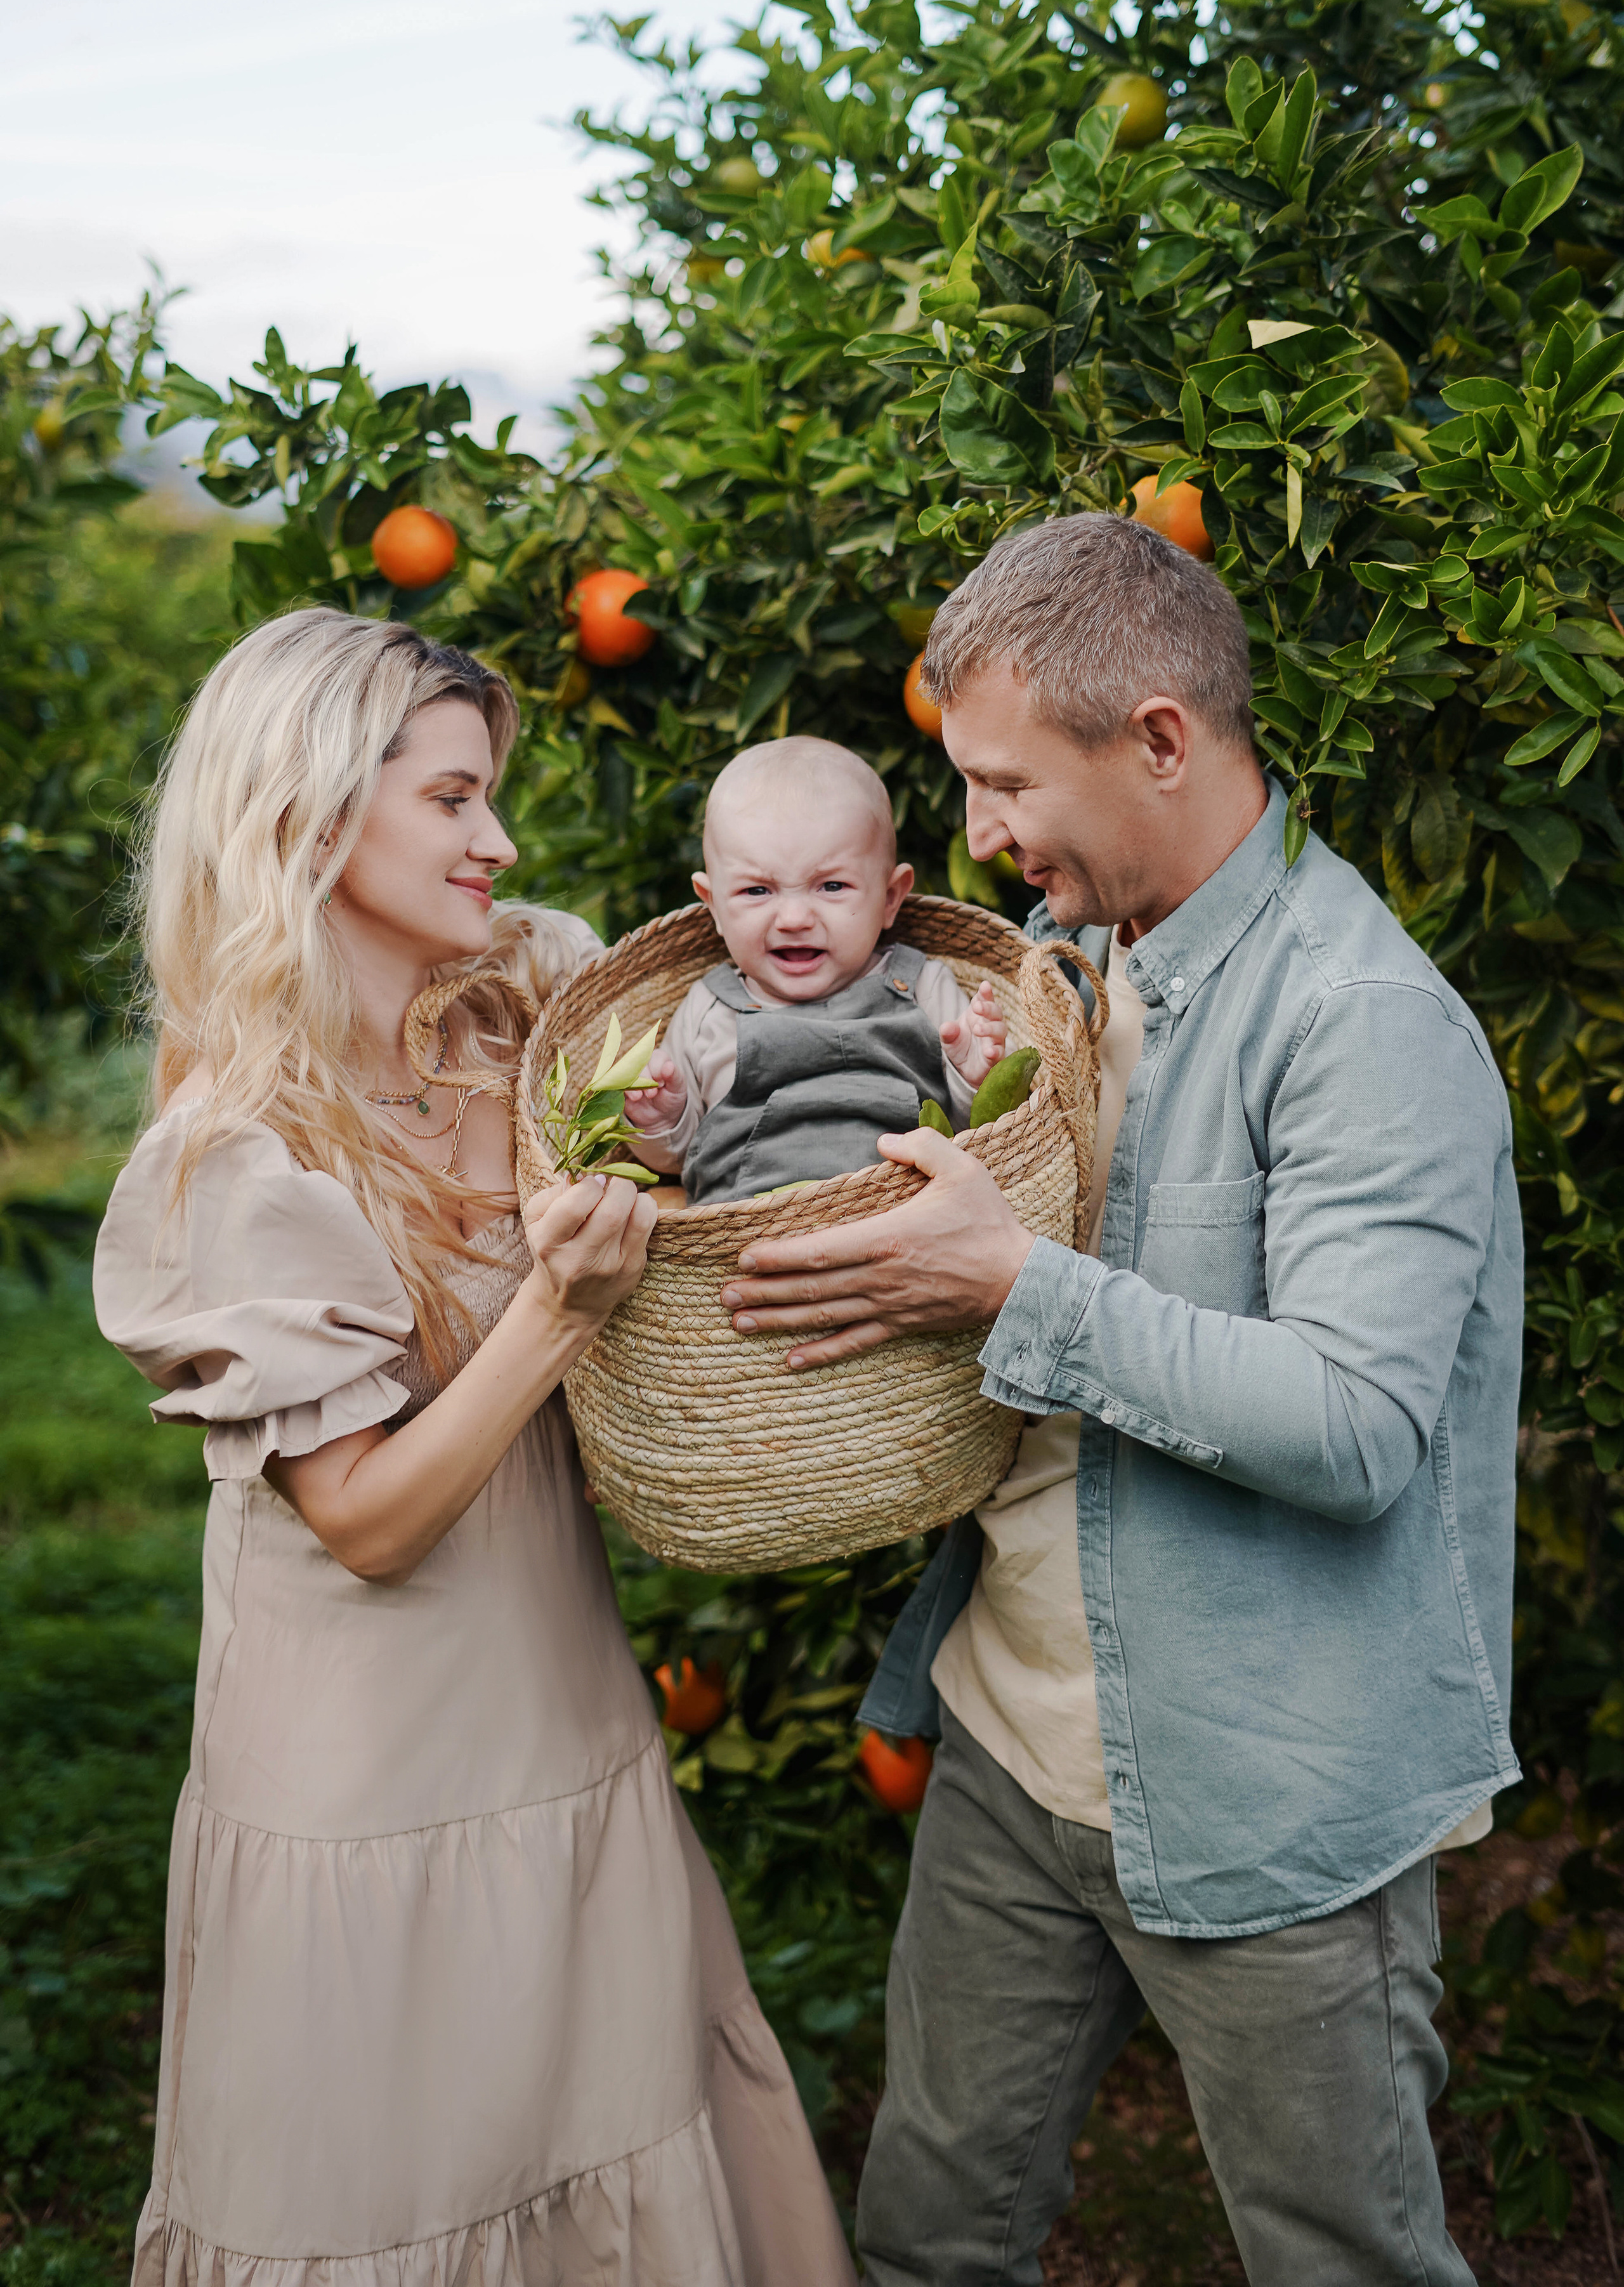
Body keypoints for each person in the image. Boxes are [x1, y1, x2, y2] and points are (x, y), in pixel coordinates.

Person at [716, 514, 1521, 2287]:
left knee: (1341, 2260)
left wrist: (1012, 1284)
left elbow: (1354, 1425)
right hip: (1007, 1741)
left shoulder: (1360, 1019)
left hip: (1265, 1784)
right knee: (929, 2237)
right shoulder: (1062, 966)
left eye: (1007, 783)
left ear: (1158, 738)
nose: (976, 833)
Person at [93, 610, 854, 2287]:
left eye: (488, 795)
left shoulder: (521, 1023)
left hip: (562, 1701)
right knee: (390, 2193)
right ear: (309, 815)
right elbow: (365, 1520)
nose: (498, 840)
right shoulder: (239, 1157)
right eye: (452, 798)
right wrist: (558, 1310)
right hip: (367, 1770)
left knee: (609, 2121)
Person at [623, 737, 1007, 1202]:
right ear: (714, 907)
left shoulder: (923, 986)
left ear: (890, 898)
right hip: (751, 1228)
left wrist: (971, 1077)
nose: (793, 919)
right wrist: (663, 1119)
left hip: (907, 1217)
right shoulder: (709, 1009)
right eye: (757, 891)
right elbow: (679, 1159)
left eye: (831, 886)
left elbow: (973, 1134)